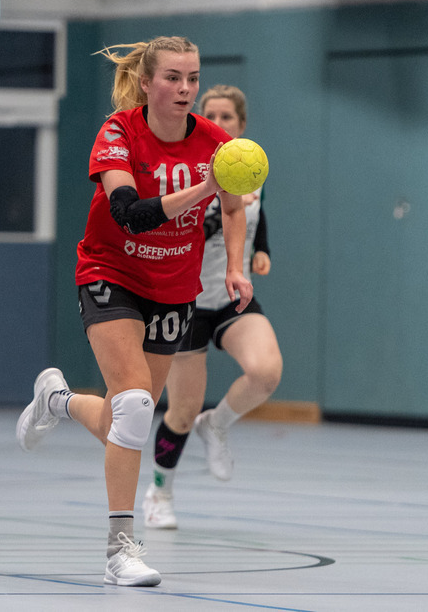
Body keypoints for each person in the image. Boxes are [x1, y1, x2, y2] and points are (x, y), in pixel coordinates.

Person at [16, 36, 252, 587]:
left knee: (132, 416)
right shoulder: (118, 132)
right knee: (137, 405)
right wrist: (202, 190)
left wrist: (234, 266)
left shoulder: (217, 142)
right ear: (147, 83)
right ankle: (120, 549)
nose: (186, 89)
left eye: (192, 78)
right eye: (173, 77)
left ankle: (57, 399)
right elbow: (128, 213)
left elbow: (235, 206)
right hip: (110, 273)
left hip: (175, 288)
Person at [142, 85, 283, 530]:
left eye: (227, 118)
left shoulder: (248, 170)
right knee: (181, 409)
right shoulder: (188, 170)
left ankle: (218, 424)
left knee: (265, 372)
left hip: (231, 296)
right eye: (211, 116)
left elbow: (255, 213)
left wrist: (260, 250)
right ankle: (159, 491)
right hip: (185, 300)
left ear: (241, 126)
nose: (218, 124)